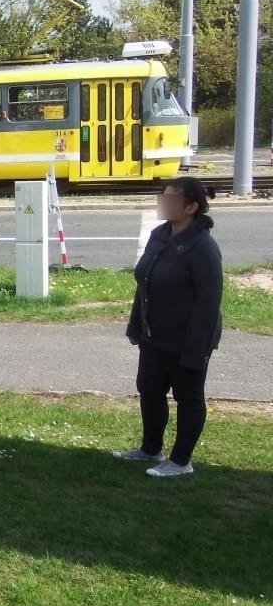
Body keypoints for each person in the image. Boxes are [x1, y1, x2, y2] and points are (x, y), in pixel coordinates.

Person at [115, 177, 223, 477]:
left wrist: (196, 349)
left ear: (191, 207)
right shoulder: (160, 235)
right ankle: (150, 449)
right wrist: (135, 323)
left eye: (171, 199)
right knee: (150, 390)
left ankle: (180, 461)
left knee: (188, 397)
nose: (163, 204)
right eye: (162, 197)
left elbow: (209, 300)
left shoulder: (202, 246)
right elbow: (144, 281)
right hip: (154, 334)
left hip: (187, 337)